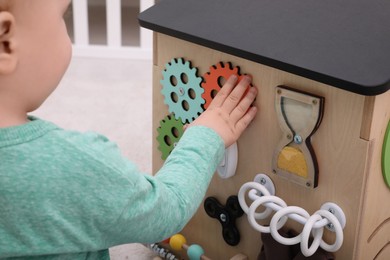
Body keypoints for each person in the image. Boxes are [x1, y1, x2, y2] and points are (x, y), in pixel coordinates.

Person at [0, 0, 258, 259]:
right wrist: (206, 136)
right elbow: (167, 211)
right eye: (62, 16)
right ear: (6, 42)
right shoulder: (73, 166)